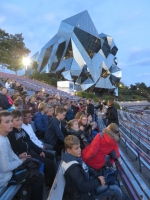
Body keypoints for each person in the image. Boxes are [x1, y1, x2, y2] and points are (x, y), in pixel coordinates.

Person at [62, 135, 128, 200]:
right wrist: (98, 181)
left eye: (79, 147)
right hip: (85, 194)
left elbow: (87, 168)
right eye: (76, 148)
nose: (80, 150)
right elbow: (83, 187)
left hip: (89, 182)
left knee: (113, 181)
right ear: (68, 150)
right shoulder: (73, 168)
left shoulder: (74, 157)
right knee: (115, 189)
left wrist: (98, 176)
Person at [0, 111, 44, 199]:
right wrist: (20, 161)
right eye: (7, 122)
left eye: (11, 121)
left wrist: (19, 157)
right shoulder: (2, 142)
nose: (11, 124)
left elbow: (11, 154)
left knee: (35, 167)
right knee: (37, 176)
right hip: (5, 178)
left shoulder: (4, 137)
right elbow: (6, 168)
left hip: (9, 172)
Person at [8, 110, 56, 187]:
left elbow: (30, 142)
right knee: (49, 164)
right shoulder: (10, 133)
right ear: (11, 121)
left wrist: (39, 150)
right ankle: (50, 185)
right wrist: (18, 155)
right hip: (26, 156)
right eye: (17, 120)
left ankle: (49, 180)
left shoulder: (22, 130)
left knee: (50, 155)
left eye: (21, 120)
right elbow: (11, 150)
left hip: (31, 151)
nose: (20, 122)